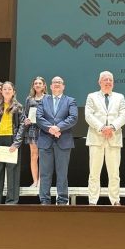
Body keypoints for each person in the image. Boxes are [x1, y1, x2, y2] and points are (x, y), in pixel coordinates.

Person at [85, 71, 125, 206]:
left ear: (113, 83)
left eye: (110, 80)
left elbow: (123, 116)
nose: (108, 82)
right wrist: (102, 127)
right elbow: (88, 115)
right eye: (105, 79)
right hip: (96, 139)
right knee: (94, 173)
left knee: (114, 173)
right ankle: (92, 201)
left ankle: (115, 200)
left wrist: (112, 127)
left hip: (114, 139)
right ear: (99, 82)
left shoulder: (120, 97)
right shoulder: (91, 96)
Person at [36, 76, 78, 205]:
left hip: (63, 141)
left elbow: (73, 117)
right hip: (45, 141)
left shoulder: (70, 100)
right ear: (50, 86)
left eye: (59, 82)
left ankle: (62, 200)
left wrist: (58, 127)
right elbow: (39, 117)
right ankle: (44, 200)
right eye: (54, 82)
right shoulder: (43, 100)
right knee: (45, 174)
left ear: (63, 86)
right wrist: (50, 129)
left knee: (62, 173)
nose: (57, 84)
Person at [0, 82, 26, 205]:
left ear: (13, 91)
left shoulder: (18, 107)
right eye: (5, 89)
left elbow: (22, 126)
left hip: (12, 142)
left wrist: (16, 143)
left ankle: (11, 202)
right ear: (1, 91)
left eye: (10, 89)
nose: (7, 91)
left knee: (12, 172)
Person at [23, 77, 47, 188]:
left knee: (43, 155)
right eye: (35, 83)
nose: (37, 85)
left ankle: (42, 181)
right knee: (34, 155)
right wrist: (26, 120)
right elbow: (25, 113)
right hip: (32, 129)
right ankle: (35, 181)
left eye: (40, 83)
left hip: (44, 130)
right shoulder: (29, 99)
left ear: (44, 85)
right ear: (33, 86)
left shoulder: (48, 98)